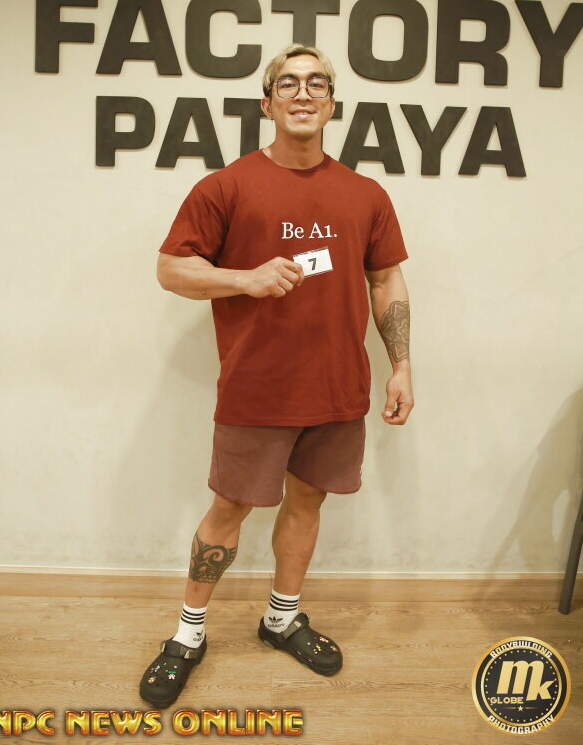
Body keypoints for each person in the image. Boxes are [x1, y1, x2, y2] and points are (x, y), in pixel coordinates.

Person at [139, 44, 413, 708]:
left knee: (308, 501)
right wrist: (245, 278)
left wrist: (401, 364)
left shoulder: (366, 194)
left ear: (332, 104)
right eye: (287, 83)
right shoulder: (226, 187)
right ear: (267, 103)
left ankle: (281, 619)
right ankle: (187, 634)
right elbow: (171, 268)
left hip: (338, 389)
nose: (303, 92)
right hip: (256, 389)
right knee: (229, 509)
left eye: (317, 83)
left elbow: (385, 278)